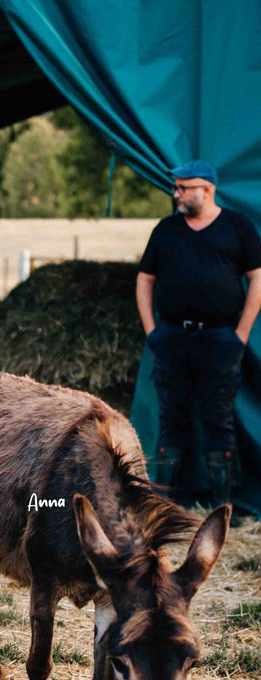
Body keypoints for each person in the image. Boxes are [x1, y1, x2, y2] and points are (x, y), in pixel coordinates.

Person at [136, 160, 261, 505]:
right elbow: (145, 279)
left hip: (220, 340)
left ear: (207, 189)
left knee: (218, 422)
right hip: (172, 339)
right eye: (175, 187)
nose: (175, 194)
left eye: (182, 188)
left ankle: (222, 508)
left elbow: (257, 278)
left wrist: (241, 333)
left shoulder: (237, 227)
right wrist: (152, 331)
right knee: (171, 421)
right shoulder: (166, 230)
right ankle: (165, 506)